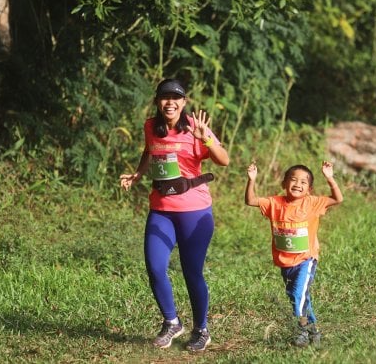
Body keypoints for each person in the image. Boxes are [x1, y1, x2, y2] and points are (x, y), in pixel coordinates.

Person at [119, 79, 229, 351]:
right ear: (157, 101)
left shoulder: (194, 126)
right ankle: (172, 322)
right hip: (161, 210)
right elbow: (150, 150)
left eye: (175, 98)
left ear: (184, 102)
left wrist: (205, 137)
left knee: (192, 273)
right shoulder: (150, 127)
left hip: (195, 210)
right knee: (155, 267)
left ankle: (201, 329)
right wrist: (138, 173)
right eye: (164, 98)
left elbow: (224, 159)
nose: (170, 102)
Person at [244, 161, 343, 347]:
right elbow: (250, 200)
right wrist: (252, 180)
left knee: (298, 295)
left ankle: (300, 330)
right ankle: (314, 331)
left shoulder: (313, 203)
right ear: (284, 184)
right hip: (285, 262)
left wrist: (330, 178)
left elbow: (337, 199)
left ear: (309, 189)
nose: (298, 184)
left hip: (306, 259)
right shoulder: (275, 203)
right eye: (293, 179)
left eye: (304, 182)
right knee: (299, 297)